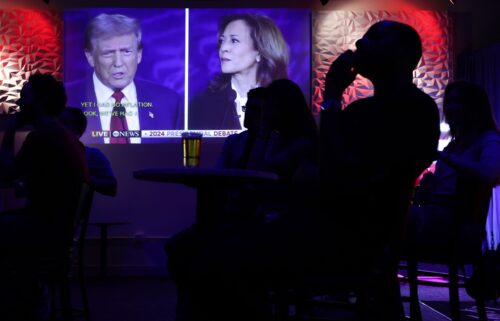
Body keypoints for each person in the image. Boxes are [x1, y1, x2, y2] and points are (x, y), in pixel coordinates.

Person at [167, 79, 318, 321]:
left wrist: (265, 136)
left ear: (281, 110)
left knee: (202, 253)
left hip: (277, 227)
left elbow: (267, 176)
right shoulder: (242, 141)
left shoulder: (296, 144)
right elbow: (225, 177)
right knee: (181, 247)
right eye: (254, 109)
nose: (260, 116)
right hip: (249, 219)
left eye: (265, 109)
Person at [320, 20, 440, 320]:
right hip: (353, 227)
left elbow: (338, 166)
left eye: (373, 38)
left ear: (401, 55)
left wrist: (333, 95)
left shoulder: (416, 109)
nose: (360, 44)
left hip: (358, 231)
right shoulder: (362, 111)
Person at [0, 74, 89, 321]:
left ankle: (21, 304)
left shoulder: (42, 136)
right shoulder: (64, 136)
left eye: (25, 95)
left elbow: (6, 173)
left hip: (43, 232)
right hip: (57, 231)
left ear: (41, 100)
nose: (19, 102)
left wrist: (10, 130)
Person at [407, 81, 500, 256]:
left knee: (389, 218)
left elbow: (489, 173)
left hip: (457, 226)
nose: (449, 107)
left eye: (457, 101)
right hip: (439, 217)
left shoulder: (489, 139)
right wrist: (428, 190)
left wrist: (444, 157)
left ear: (473, 107)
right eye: (448, 101)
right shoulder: (454, 146)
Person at [66, 13, 183, 144]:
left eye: (126, 51)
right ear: (90, 57)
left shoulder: (169, 103)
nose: (118, 63)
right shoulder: (65, 100)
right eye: (108, 53)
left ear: (139, 54)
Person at [189, 13, 289, 130]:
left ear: (259, 51)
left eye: (234, 40)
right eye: (222, 41)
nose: (223, 48)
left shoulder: (285, 101)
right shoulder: (202, 104)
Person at [60, 107, 118, 196]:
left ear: (76, 128)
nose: (57, 126)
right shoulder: (42, 149)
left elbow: (111, 187)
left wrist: (80, 178)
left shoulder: (91, 155)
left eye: (63, 122)